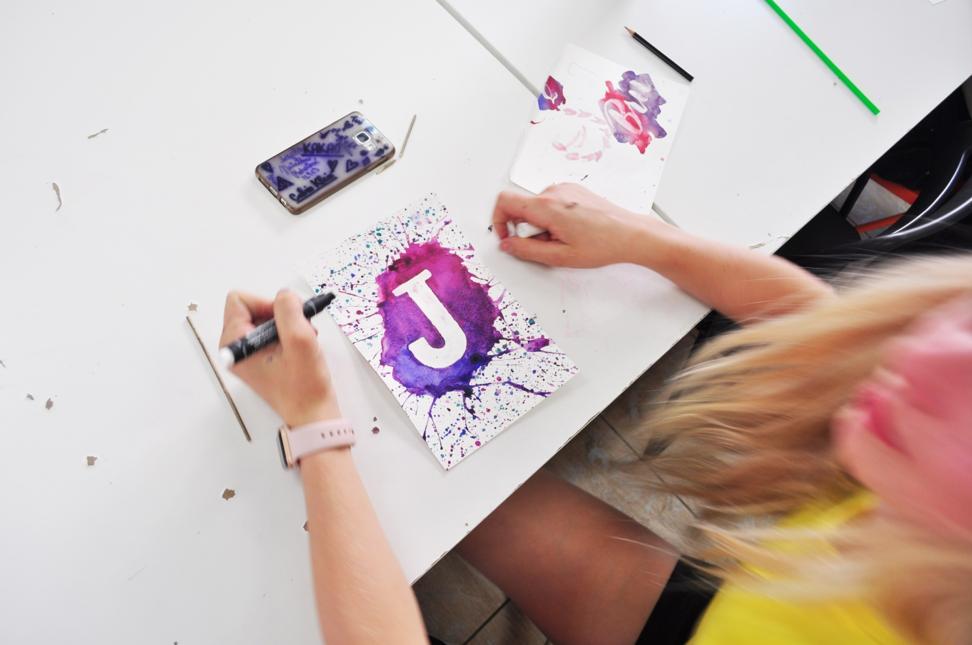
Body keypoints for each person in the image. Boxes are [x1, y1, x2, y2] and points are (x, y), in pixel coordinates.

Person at [221, 183, 972, 644]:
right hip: (726, 619)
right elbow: (833, 332)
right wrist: (643, 240)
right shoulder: (925, 406)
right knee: (441, 479)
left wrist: (314, 426)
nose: (921, 357)